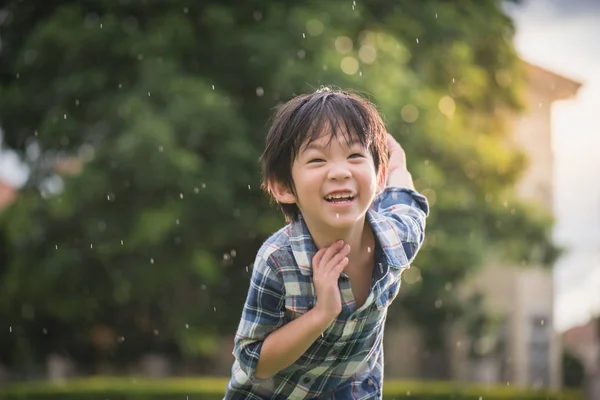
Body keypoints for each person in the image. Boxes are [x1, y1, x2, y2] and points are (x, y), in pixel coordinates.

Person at [224, 88, 429, 399]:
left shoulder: (397, 238)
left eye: (355, 156)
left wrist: (398, 165)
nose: (339, 172)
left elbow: (406, 201)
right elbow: (255, 360)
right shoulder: (279, 260)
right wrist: (322, 313)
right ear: (283, 187)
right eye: (317, 159)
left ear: (379, 176)